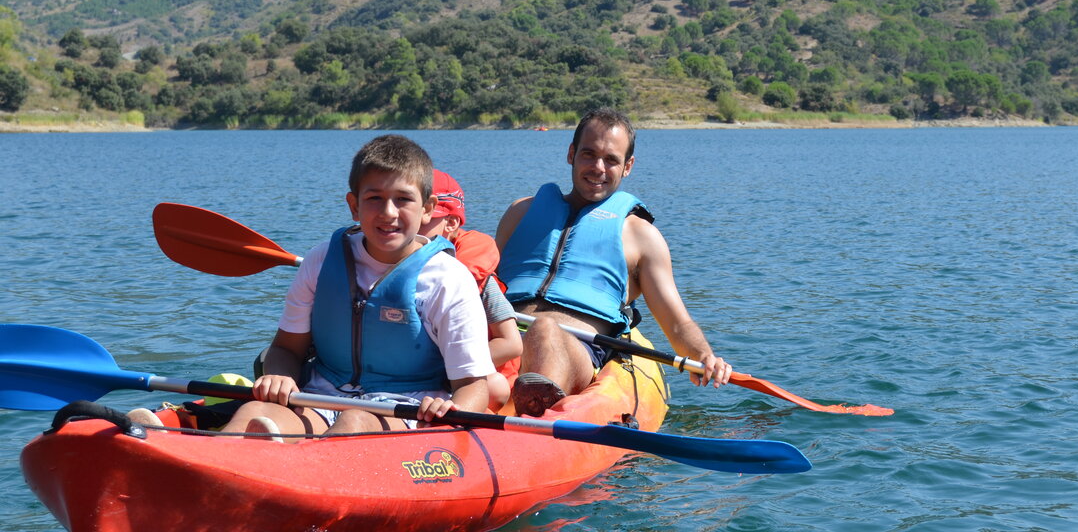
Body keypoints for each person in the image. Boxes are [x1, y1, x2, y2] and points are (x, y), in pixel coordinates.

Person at [223, 135, 493, 440]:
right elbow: (286, 349)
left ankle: (301, 474)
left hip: (406, 409)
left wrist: (452, 410)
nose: (388, 212)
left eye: (403, 199)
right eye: (374, 198)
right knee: (251, 415)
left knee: (355, 423)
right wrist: (280, 376)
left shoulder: (449, 279)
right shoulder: (321, 260)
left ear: (428, 208)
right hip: (318, 399)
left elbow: (473, 385)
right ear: (354, 206)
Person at [495, 107, 732, 416]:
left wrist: (704, 355)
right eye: (588, 154)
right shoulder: (521, 212)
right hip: (504, 338)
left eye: (611, 160)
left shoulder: (641, 237)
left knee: (546, 330)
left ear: (628, 166)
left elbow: (677, 322)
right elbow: (483, 286)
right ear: (571, 154)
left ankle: (531, 421)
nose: (598, 168)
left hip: (575, 349)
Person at [419, 169, 522, 409]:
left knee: (496, 386)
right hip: (414, 373)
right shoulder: (385, 263)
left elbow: (512, 343)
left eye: (425, 215)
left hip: (463, 374)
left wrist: (450, 366)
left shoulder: (475, 275)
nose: (410, 222)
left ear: (451, 223)